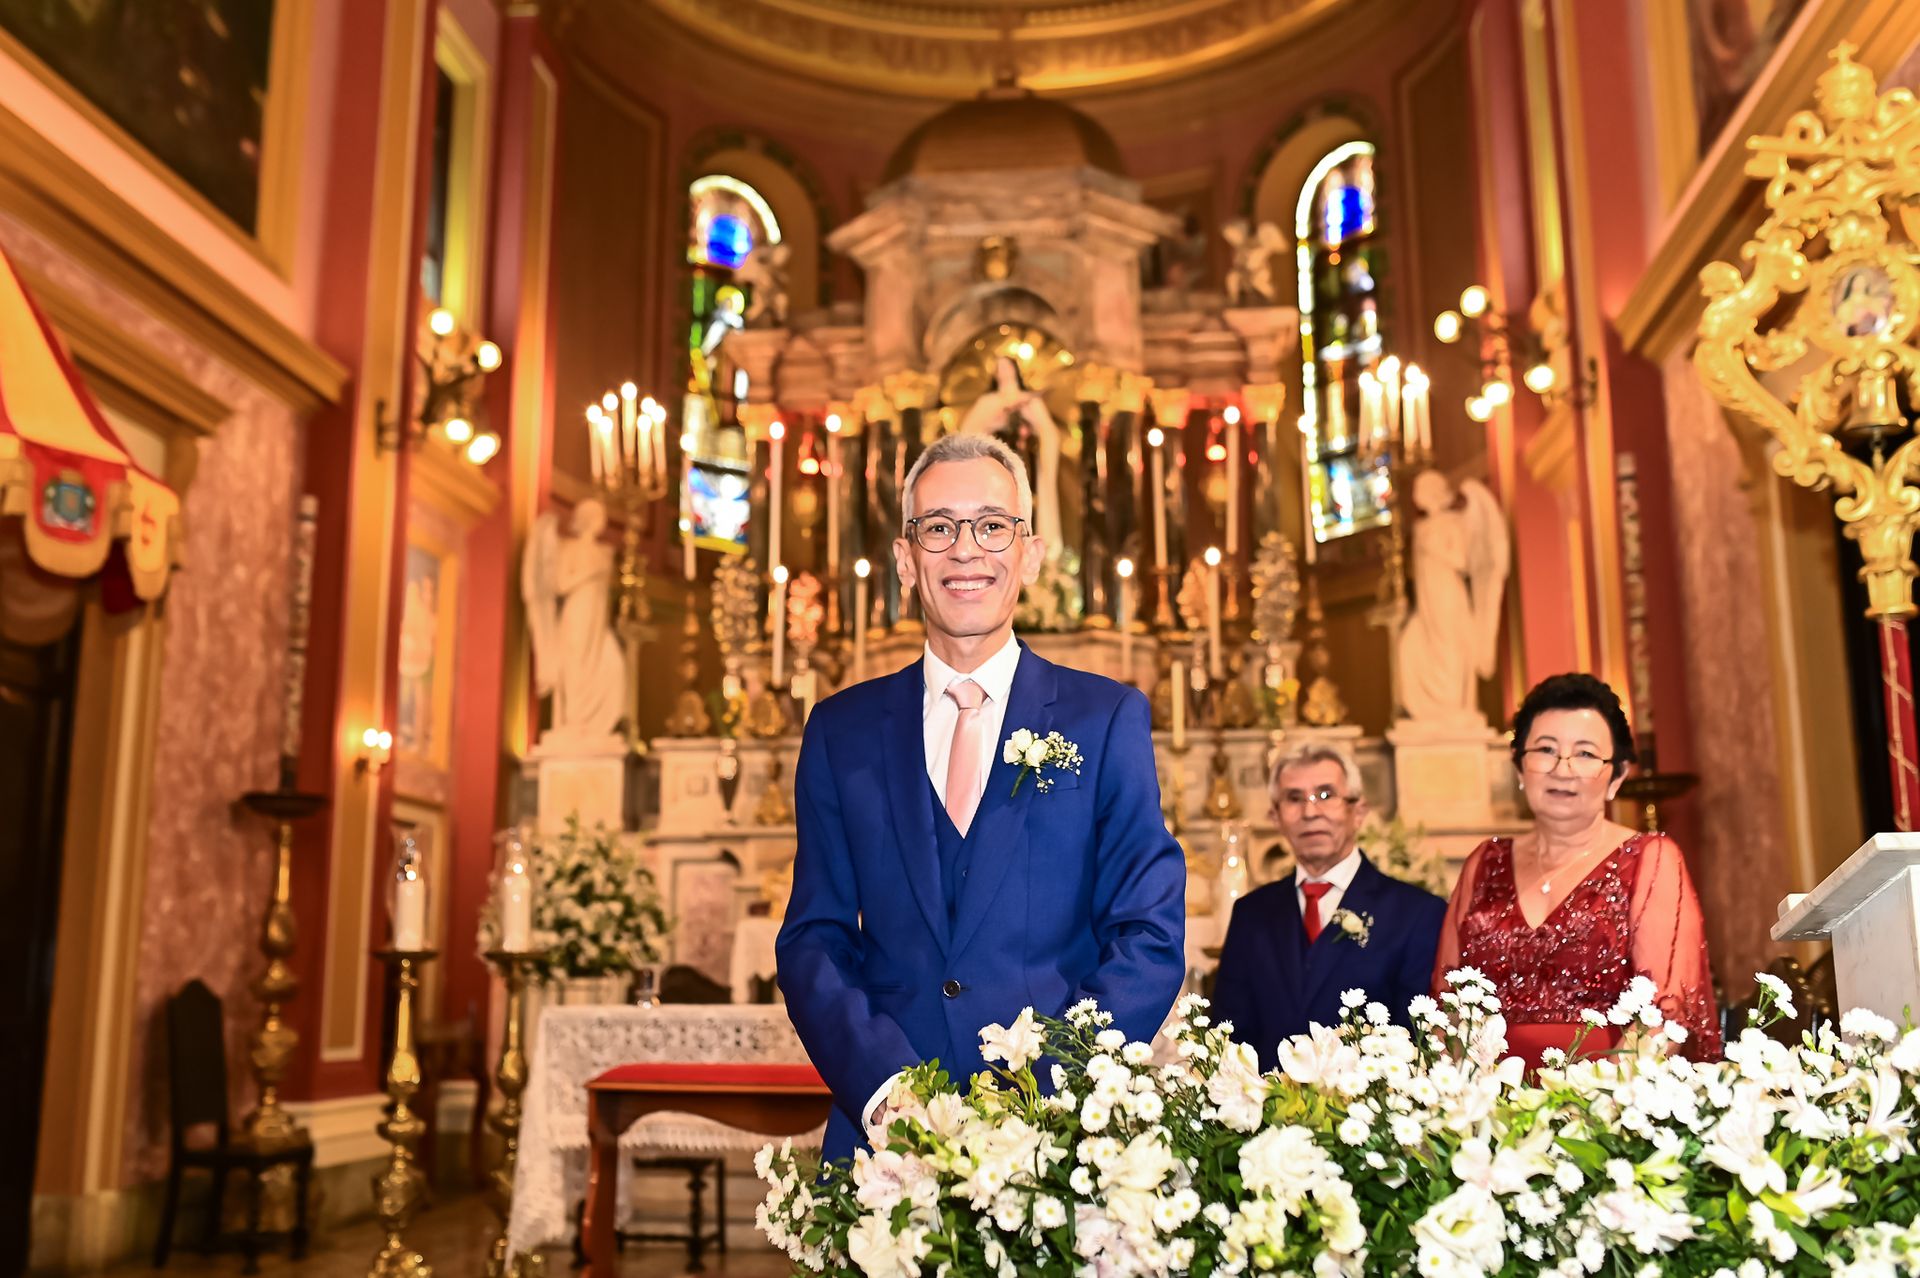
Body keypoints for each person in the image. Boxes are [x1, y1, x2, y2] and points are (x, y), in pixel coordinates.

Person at [776, 432, 1185, 1165]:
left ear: (1029, 552)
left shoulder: (1105, 718)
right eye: (939, 527)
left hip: (1064, 1148)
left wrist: (1053, 1091)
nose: (967, 550)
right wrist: (885, 1091)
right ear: (907, 559)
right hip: (888, 1150)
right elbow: (815, 939)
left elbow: (1148, 936)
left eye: (992, 525)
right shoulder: (841, 732)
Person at [1433, 673, 1722, 1067]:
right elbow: (1446, 1004)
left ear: (1616, 777)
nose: (1562, 769)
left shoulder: (1652, 860)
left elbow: (1664, 1013)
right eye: (1545, 750)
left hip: (1603, 1106)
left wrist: (1590, 1106)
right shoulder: (1483, 863)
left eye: (1585, 754)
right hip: (1485, 1104)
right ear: (1520, 768)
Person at [1211, 744, 1446, 1072]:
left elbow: (1419, 1040)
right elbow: (1230, 1034)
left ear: (1358, 811)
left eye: (1325, 795)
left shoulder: (1418, 914)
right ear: (1275, 817)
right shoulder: (1252, 914)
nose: (1310, 812)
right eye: (1294, 799)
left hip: (1370, 1112)